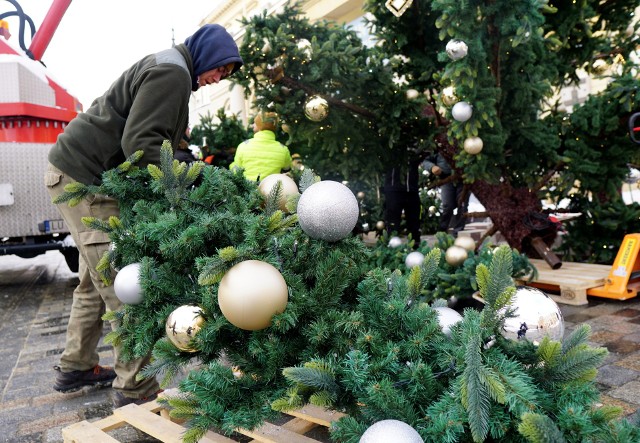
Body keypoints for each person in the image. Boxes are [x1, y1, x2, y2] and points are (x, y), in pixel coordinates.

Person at [44, 24, 243, 408]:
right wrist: (189, 173)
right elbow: (140, 144)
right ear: (206, 53)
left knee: (92, 280)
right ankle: (135, 387)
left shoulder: (173, 70)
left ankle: (76, 365)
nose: (219, 78)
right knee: (124, 287)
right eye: (220, 68)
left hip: (80, 174)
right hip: (86, 181)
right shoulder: (173, 73)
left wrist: (180, 156)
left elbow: (154, 140)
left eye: (227, 75)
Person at [229, 111, 292, 181]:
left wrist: (231, 165)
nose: (253, 125)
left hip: (248, 190)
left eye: (255, 123)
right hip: (272, 189)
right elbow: (287, 168)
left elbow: (236, 171)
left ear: (259, 127)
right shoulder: (283, 149)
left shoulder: (243, 146)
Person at [422, 152, 469, 237]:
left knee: (462, 205)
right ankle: (442, 231)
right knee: (447, 205)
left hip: (464, 178)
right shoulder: (439, 143)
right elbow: (425, 160)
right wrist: (432, 167)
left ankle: (458, 232)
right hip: (446, 178)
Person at [384, 157, 423, 247]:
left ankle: (415, 246)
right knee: (392, 221)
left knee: (414, 219)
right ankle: (391, 246)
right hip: (393, 188)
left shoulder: (415, 145)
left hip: (412, 189)